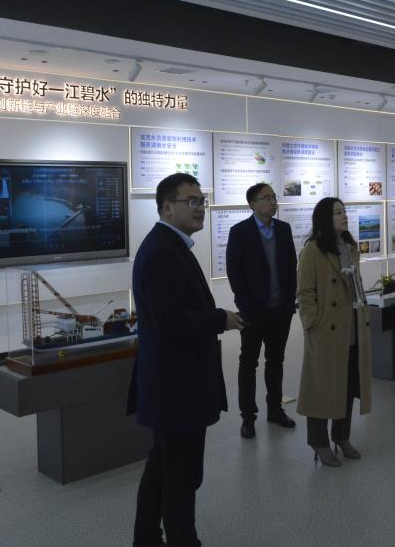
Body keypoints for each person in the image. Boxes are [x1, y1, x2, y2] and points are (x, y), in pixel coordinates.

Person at [130, 173, 243, 547]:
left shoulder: (170, 245)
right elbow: (171, 322)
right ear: (167, 207)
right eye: (190, 201)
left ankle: (147, 538)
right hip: (176, 387)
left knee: (163, 466)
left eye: (201, 202)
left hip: (172, 384)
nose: (199, 208)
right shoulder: (162, 252)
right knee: (180, 476)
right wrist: (219, 319)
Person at [296, 197, 373, 466]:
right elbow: (305, 292)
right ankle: (318, 442)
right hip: (326, 328)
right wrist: (312, 323)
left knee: (348, 383)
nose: (344, 216)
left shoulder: (350, 247)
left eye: (344, 212)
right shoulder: (313, 250)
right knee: (322, 386)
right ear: (324, 218)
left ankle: (341, 436)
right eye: (338, 212)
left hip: (352, 322)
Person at [225, 183, 298, 440]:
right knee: (248, 363)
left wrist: (290, 302)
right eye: (266, 198)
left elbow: (291, 267)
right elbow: (234, 272)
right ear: (252, 204)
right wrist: (246, 306)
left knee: (276, 361)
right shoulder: (239, 232)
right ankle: (248, 417)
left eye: (273, 197)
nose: (272, 201)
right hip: (253, 312)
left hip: (281, 310)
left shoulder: (283, 229)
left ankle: (275, 409)